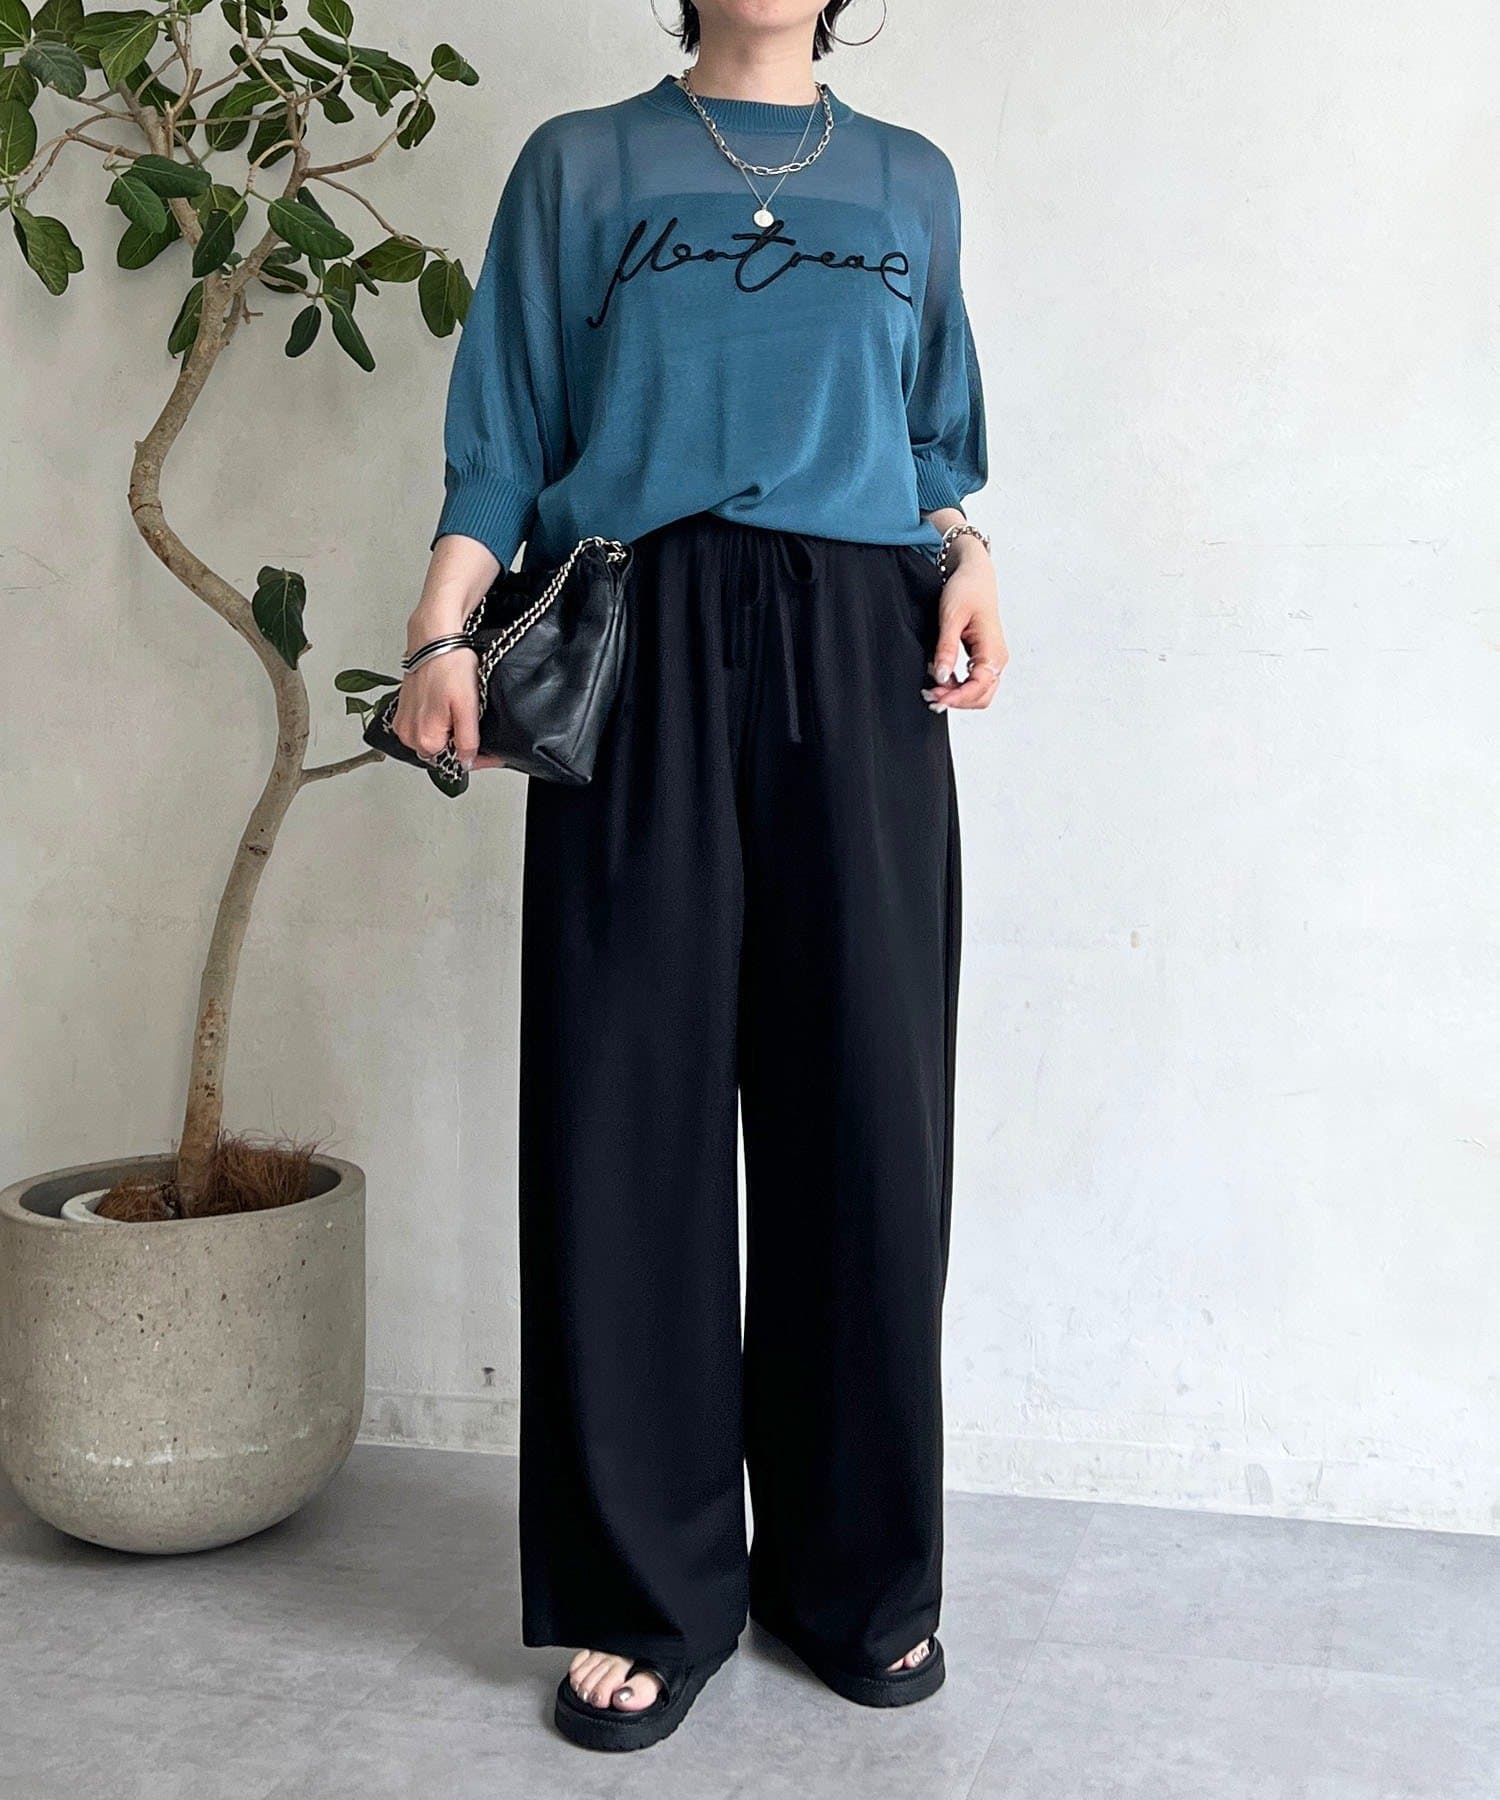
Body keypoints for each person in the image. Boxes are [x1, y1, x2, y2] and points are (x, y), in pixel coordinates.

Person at [392, 0, 1005, 1753]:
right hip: (635, 635)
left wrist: (969, 554)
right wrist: (439, 633)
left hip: (863, 647)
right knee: (627, 1107)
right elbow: (505, 434)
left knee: (867, 1112)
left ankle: (856, 1573)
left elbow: (933, 441)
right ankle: (648, 1589)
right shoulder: (581, 165)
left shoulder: (910, 177)